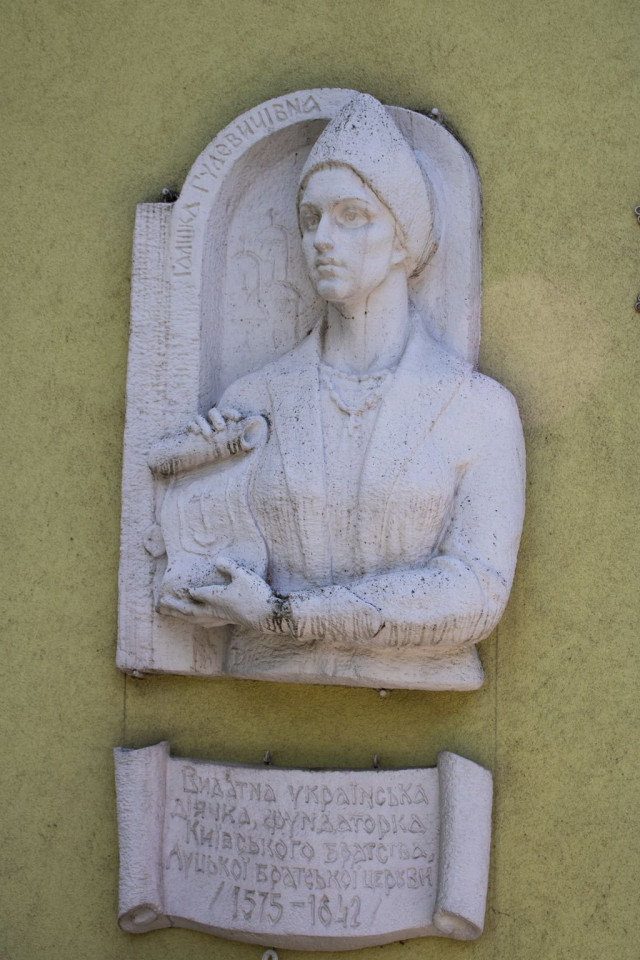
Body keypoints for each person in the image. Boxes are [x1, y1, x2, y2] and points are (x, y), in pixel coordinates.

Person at [158, 94, 525, 689]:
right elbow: (200, 559)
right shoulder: (255, 399)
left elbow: (476, 591)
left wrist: (284, 614)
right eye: (311, 219)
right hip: (263, 677)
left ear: (403, 239)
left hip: (420, 682)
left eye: (352, 215)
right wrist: (192, 500)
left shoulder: (478, 410)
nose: (322, 238)